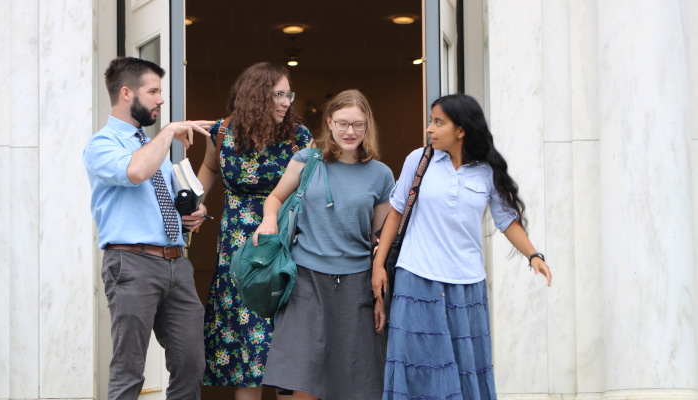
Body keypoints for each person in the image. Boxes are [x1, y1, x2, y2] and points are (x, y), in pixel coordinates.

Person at [372, 94, 553, 400]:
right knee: (417, 365)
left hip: (467, 283)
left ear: (461, 130)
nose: (430, 128)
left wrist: (533, 255)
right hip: (416, 276)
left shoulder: (486, 171)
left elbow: (507, 220)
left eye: (438, 122)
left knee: (465, 365)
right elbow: (397, 212)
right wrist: (378, 266)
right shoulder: (418, 161)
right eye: (431, 120)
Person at [83, 57, 214, 400]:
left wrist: (193, 213)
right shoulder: (102, 145)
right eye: (153, 91)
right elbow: (135, 172)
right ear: (126, 93)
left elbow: (170, 204)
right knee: (129, 370)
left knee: (191, 364)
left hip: (177, 265)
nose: (160, 99)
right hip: (131, 264)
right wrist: (169, 130)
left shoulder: (157, 154)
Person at [258, 89, 395, 400]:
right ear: (329, 122)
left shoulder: (382, 176)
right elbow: (276, 198)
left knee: (354, 380)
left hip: (356, 284)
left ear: (367, 126)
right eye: (343, 123)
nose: (350, 132)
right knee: (305, 378)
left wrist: (378, 298)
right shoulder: (306, 161)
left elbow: (378, 240)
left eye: (358, 125)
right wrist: (268, 220)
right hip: (306, 281)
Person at [196, 62, 314, 399]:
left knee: (284, 346)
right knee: (243, 350)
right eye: (279, 94)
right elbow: (209, 166)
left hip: (283, 247)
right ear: (257, 96)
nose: (286, 101)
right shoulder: (222, 133)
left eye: (288, 94)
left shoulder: (298, 137)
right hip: (238, 252)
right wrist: (195, 205)